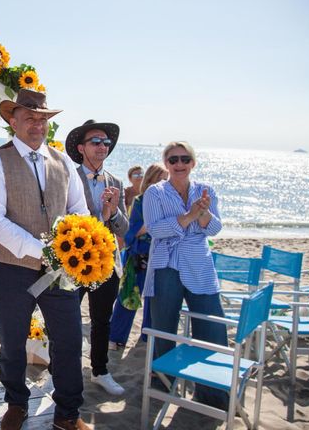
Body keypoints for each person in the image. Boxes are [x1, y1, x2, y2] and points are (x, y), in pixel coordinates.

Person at [0, 89, 91, 430]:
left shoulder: (63, 161)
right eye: (29, 117)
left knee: (69, 340)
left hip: (59, 272)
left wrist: (72, 247)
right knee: (12, 341)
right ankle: (16, 403)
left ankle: (68, 414)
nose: (37, 124)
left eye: (42, 119)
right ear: (12, 121)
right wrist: (46, 250)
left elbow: (79, 211)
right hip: (12, 269)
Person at [142, 141, 228, 409]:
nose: (179, 164)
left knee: (212, 325)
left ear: (193, 162)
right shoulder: (154, 193)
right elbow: (155, 230)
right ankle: (164, 382)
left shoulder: (207, 191)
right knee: (163, 326)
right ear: (166, 164)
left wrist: (202, 216)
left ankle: (212, 391)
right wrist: (190, 216)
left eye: (184, 159)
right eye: (173, 159)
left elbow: (214, 228)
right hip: (166, 264)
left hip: (199, 264)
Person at [64, 119, 128, 397]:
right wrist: (98, 217)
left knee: (102, 321)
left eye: (106, 142)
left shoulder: (115, 182)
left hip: (106, 263)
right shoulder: (67, 178)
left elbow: (124, 228)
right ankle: (63, 369)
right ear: (81, 147)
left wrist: (113, 213)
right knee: (67, 319)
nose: (103, 146)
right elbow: (61, 222)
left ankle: (100, 371)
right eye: (96, 142)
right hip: (75, 262)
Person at [109, 163, 168, 349]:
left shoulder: (169, 201)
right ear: (151, 180)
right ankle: (115, 338)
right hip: (138, 256)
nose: (166, 183)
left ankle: (147, 337)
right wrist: (153, 224)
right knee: (129, 297)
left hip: (159, 257)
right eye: (162, 179)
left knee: (154, 299)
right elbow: (130, 232)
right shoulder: (141, 201)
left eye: (167, 180)